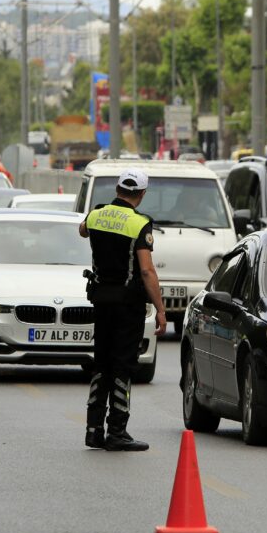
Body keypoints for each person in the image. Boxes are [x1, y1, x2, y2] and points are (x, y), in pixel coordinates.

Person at [78, 167, 167, 451]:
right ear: (141, 194)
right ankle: (117, 431)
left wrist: (102, 217)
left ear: (117, 189)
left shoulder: (96, 214)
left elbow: (82, 230)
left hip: (101, 301)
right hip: (127, 306)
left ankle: (93, 430)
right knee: (123, 367)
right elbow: (146, 271)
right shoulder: (139, 223)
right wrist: (161, 309)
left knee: (101, 364)